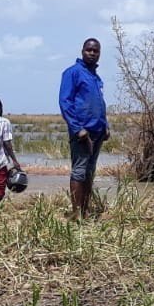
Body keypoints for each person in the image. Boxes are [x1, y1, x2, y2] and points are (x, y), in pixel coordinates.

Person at [59, 38, 109, 221]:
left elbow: (99, 103)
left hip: (98, 131)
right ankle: (76, 214)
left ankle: (85, 211)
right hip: (82, 132)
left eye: (96, 51)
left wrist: (106, 125)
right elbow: (65, 102)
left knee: (89, 172)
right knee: (79, 171)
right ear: (82, 51)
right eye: (89, 50)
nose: (92, 53)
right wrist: (77, 128)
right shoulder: (72, 73)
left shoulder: (95, 77)